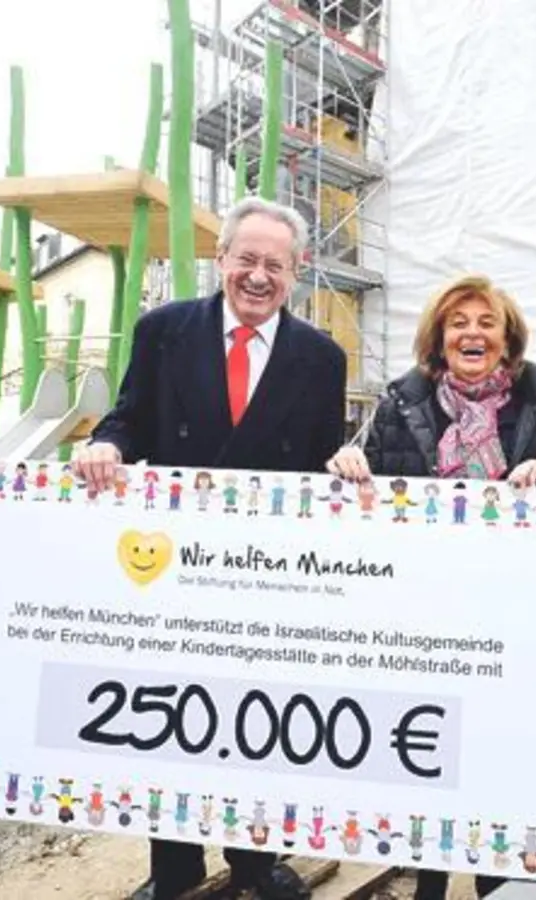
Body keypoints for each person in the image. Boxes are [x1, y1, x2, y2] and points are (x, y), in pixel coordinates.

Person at [76, 196, 346, 900]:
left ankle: (257, 861)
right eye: (246, 259)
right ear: (220, 258)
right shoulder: (164, 331)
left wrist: (345, 467)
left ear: (296, 272)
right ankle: (174, 865)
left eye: (275, 265)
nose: (258, 276)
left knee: (258, 716)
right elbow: (130, 417)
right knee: (172, 713)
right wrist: (106, 445)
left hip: (266, 571)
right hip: (172, 565)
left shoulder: (322, 358)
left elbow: (319, 463)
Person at [325, 274, 536, 900]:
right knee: (432, 753)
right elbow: (369, 499)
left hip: (516, 618)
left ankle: (498, 883)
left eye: (487, 323)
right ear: (438, 339)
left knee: (501, 752)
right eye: (458, 323)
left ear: (507, 339)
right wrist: (348, 467)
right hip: (425, 616)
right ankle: (430, 884)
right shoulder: (400, 407)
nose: (473, 333)